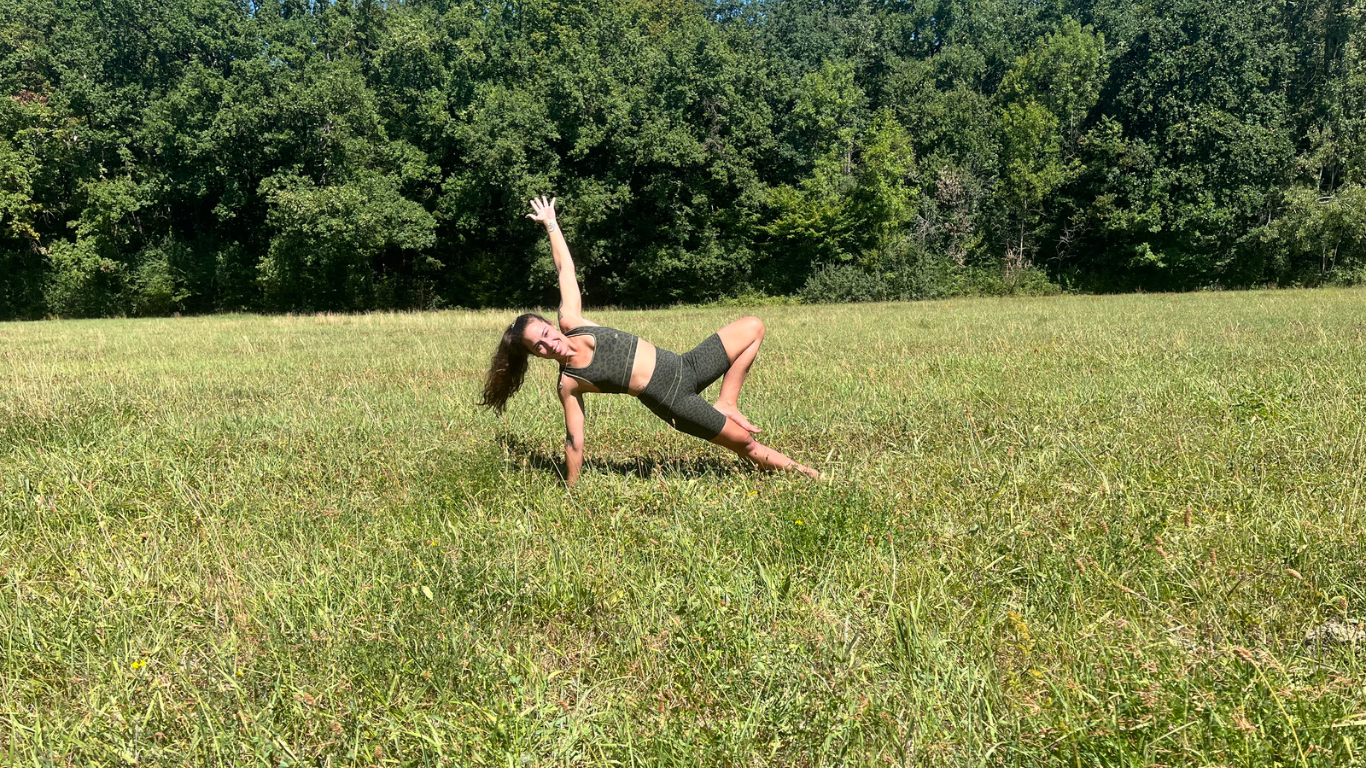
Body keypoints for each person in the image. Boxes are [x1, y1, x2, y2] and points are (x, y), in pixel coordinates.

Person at [480, 196, 821, 485]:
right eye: (537, 347)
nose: (547, 344)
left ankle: (727, 403)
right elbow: (574, 441)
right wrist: (571, 490)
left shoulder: (572, 322)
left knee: (753, 326)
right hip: (674, 401)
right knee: (744, 443)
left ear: (548, 323)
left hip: (686, 364)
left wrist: (551, 224)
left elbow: (564, 270)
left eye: (544, 334)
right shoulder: (569, 383)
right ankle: (812, 477)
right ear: (535, 355)